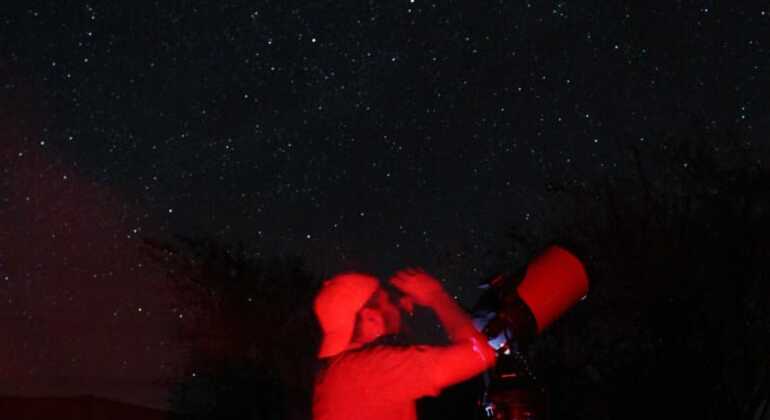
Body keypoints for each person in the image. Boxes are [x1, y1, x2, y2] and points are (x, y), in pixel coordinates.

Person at [312, 268, 497, 420]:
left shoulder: (339, 375)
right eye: (390, 300)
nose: (402, 305)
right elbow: (479, 354)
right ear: (371, 319)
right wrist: (435, 296)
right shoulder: (372, 371)